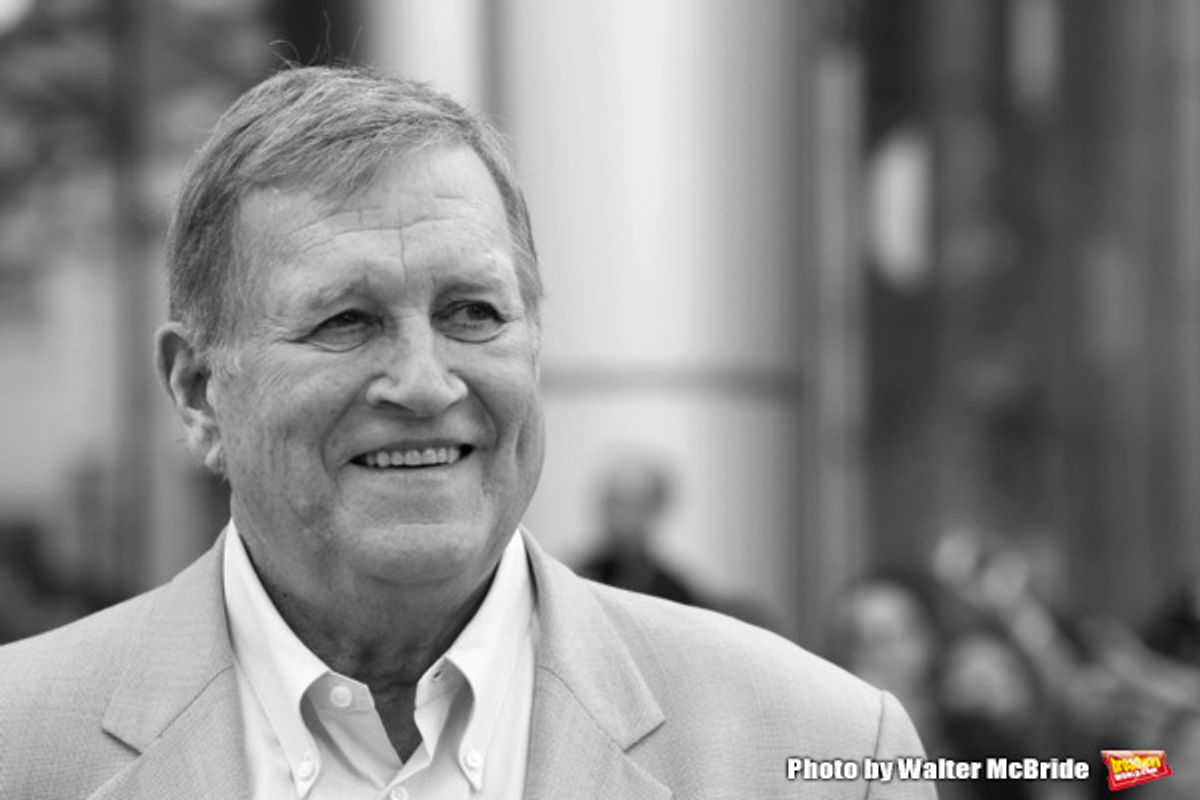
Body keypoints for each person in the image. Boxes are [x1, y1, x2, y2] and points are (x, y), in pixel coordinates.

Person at [0, 66, 936, 799]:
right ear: (198, 391)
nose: (423, 382)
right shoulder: (19, 749)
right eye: (345, 321)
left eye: (473, 312)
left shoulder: (830, 754)